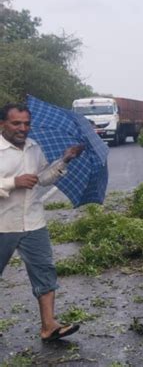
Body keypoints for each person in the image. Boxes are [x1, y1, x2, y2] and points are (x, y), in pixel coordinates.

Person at [0, 103, 84, 342]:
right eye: (16, 123)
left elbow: (43, 179)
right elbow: (17, 182)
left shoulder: (34, 147)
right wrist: (13, 182)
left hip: (33, 221)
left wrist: (65, 160)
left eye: (26, 123)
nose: (23, 128)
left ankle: (49, 326)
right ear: (2, 124)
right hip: (3, 224)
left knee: (44, 272)